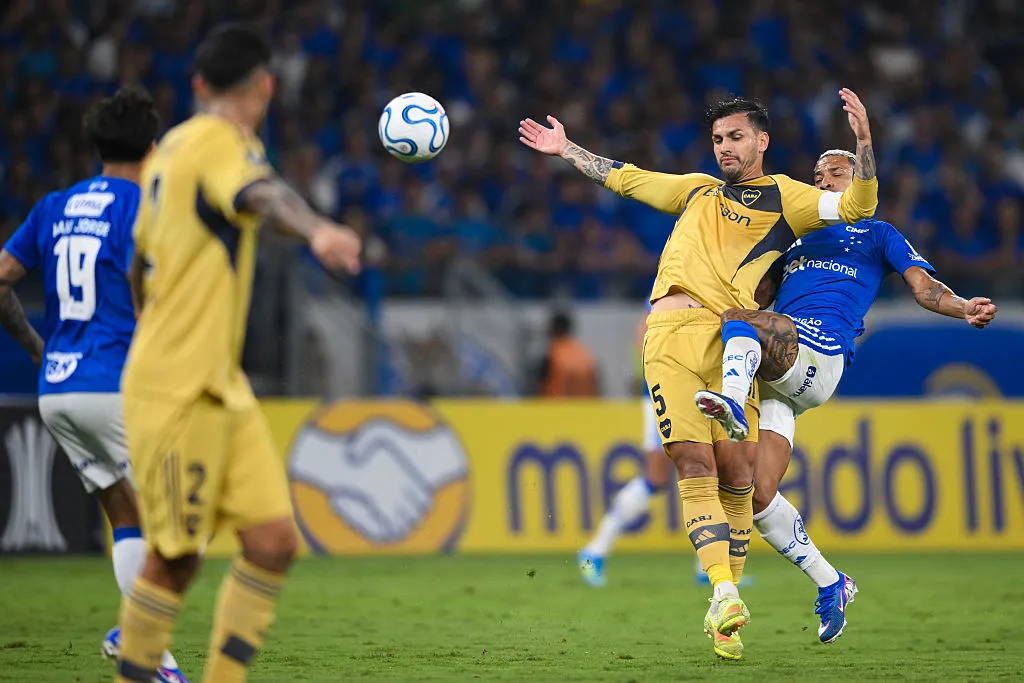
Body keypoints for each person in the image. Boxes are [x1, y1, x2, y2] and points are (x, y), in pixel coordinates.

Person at [519, 89, 879, 660]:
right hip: (670, 338)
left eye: (736, 137)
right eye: (717, 139)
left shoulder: (788, 197)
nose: (724, 147)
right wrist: (568, 150)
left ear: (762, 141)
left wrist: (862, 144)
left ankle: (725, 603)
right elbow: (628, 179)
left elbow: (857, 206)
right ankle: (724, 593)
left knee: (738, 477)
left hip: (732, 340)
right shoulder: (696, 190)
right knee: (693, 463)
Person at [114, 24, 360, 683]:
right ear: (267, 86)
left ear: (199, 83)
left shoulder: (168, 149)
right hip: (177, 388)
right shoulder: (221, 142)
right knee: (175, 560)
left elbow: (139, 261)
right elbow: (260, 193)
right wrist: (318, 229)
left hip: (222, 386)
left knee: (273, 543)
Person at [699, 148, 997, 643]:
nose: (823, 180)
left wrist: (964, 306)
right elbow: (755, 296)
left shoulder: (877, 233)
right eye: (817, 175)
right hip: (777, 375)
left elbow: (924, 287)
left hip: (818, 354)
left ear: (858, 181)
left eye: (835, 172)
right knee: (758, 495)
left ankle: (731, 400)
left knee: (739, 322)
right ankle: (831, 582)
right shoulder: (796, 239)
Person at [0, 87, 189, 683]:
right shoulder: (146, 206)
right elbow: (152, 291)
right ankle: (139, 636)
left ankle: (150, 657)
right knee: (188, 514)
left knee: (126, 513)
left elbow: (1, 278)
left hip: (58, 390)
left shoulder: (54, 206)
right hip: (117, 384)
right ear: (152, 147)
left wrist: (39, 348)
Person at [537, 311, 599, 397]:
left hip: (557, 404)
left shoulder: (552, 356)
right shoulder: (586, 355)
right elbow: (597, 388)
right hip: (586, 404)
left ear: (554, 329)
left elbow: (538, 391)